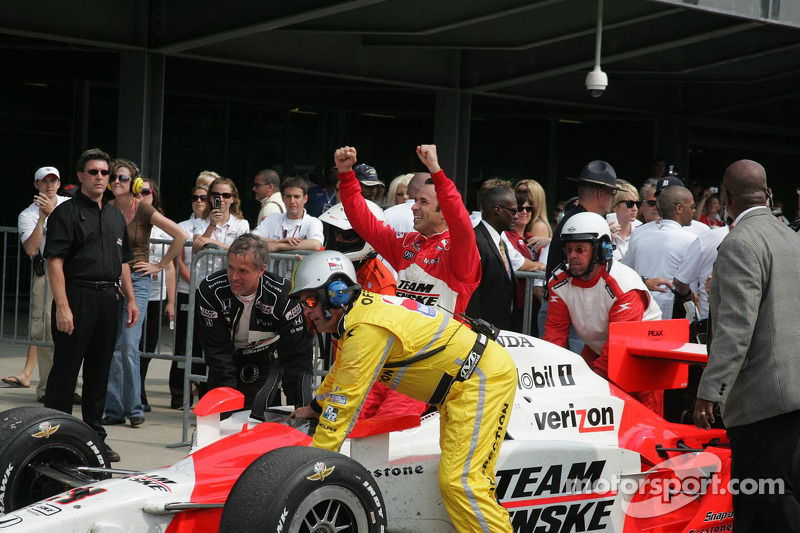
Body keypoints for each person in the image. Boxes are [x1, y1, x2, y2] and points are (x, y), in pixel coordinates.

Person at [289, 250, 516, 533]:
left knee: (462, 481)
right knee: (456, 480)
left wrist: (311, 463)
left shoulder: (365, 328)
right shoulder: (357, 319)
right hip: (462, 386)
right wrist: (314, 406)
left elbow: (344, 404)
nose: (306, 310)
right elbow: (340, 375)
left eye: (310, 300)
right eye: (302, 303)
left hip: (481, 378)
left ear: (336, 294)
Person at [693, 160, 800, 532]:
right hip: (792, 391)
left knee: (765, 497)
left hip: (761, 398)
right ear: (767, 194)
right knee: (763, 501)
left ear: (726, 197)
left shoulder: (740, 242)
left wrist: (710, 390)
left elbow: (736, 328)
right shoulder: (791, 237)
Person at [43, 148, 140, 463]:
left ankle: (95, 438)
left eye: (105, 173)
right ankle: (54, 438)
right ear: (81, 176)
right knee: (66, 371)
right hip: (77, 295)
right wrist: (63, 306)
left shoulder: (114, 214)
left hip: (109, 299)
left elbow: (123, 261)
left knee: (100, 372)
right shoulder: (66, 213)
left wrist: (131, 300)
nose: (100, 177)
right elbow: (54, 262)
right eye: (94, 172)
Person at [543, 212, 663, 414]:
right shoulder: (558, 283)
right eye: (569, 249)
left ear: (602, 250)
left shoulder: (625, 285)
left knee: (645, 417)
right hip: (598, 348)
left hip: (642, 356)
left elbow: (619, 345)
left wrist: (588, 385)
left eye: (580, 249)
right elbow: (554, 337)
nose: (572, 256)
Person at [337, 145, 480, 314]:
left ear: (444, 213)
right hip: (404, 338)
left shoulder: (460, 252)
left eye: (423, 202)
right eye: (415, 200)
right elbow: (364, 222)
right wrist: (346, 175)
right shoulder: (406, 244)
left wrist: (435, 169)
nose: (414, 207)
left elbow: (460, 221)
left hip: (443, 340)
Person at [319, 202, 427, 420]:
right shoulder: (328, 269)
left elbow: (372, 366)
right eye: (335, 233)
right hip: (345, 362)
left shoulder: (381, 285)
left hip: (385, 374)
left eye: (347, 236)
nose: (338, 239)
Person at [102, 161, 185, 428]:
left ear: (135, 184)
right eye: (113, 177)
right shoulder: (108, 208)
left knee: (128, 345)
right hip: (111, 280)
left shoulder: (144, 209)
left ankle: (134, 408)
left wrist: (160, 265)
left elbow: (180, 235)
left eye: (122, 178)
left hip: (138, 279)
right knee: (113, 346)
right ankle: (114, 409)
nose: (115, 181)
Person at [196, 234, 313, 409]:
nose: (234, 277)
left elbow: (297, 358)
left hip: (265, 360)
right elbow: (217, 352)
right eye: (230, 268)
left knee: (260, 418)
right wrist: (228, 405)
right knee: (225, 419)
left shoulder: (285, 296)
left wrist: (302, 407)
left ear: (261, 270)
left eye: (243, 271)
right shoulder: (210, 290)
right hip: (226, 358)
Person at [539, 160, 622, 351]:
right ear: (601, 193)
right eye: (612, 193)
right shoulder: (580, 223)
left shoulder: (575, 218)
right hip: (569, 311)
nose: (612, 199)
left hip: (570, 308)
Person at [5, 167, 70, 401]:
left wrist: (53, 214)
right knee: (45, 332)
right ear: (36, 185)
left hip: (73, 272)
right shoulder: (27, 214)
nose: (49, 185)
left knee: (73, 333)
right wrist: (43, 218)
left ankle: (67, 386)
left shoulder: (69, 205)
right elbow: (31, 249)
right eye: (44, 182)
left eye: (53, 181)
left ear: (60, 183)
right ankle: (47, 388)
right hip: (46, 275)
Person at [622, 185, 697, 319]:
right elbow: (683, 284)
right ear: (679, 208)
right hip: (674, 315)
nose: (694, 211)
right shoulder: (692, 240)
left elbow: (625, 272)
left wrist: (643, 281)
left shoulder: (638, 233)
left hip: (640, 312)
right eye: (691, 207)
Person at [137, 180, 179, 412]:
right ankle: (137, 394)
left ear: (154, 196)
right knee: (132, 347)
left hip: (156, 296)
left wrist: (171, 301)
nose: (141, 195)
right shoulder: (130, 221)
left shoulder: (163, 228)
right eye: (138, 192)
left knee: (149, 347)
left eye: (146, 192)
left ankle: (139, 389)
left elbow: (170, 267)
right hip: (133, 293)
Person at [171, 184, 208, 408]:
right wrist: (193, 281)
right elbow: (179, 261)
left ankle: (203, 395)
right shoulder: (182, 227)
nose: (199, 201)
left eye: (203, 197)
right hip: (187, 290)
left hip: (208, 293)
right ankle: (178, 395)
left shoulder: (212, 226)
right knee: (182, 346)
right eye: (194, 197)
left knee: (205, 345)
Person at [467, 187, 525, 330]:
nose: (516, 216)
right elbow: (472, 292)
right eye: (513, 211)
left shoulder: (501, 242)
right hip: (482, 331)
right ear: (498, 209)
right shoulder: (476, 240)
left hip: (500, 327)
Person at [192, 177, 251, 279]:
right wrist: (212, 224)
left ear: (233, 199)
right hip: (206, 280)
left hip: (232, 280)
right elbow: (197, 249)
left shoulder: (241, 224)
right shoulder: (200, 222)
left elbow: (243, 253)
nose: (221, 199)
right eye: (216, 195)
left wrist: (213, 243)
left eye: (226, 195)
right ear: (210, 198)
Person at [609, 179, 642, 261]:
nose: (635, 209)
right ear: (614, 205)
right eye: (629, 204)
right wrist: (608, 241)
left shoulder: (641, 229)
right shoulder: (604, 229)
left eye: (637, 204)